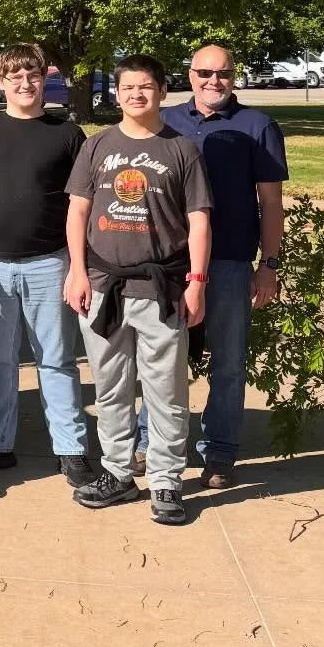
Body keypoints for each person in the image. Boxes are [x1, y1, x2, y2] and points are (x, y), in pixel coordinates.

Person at [64, 55, 212, 526]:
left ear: (162, 91)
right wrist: (78, 271)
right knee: (110, 387)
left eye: (145, 86)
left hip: (162, 286)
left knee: (166, 389)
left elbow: (199, 219)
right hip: (104, 283)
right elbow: (78, 212)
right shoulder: (97, 145)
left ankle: (167, 480)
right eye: (127, 87)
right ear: (117, 93)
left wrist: (196, 282)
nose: (136, 94)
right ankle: (117, 472)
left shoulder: (182, 148)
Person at [138, 44, 286, 489]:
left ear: (234, 76)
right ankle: (152, 440)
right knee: (163, 359)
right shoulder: (168, 123)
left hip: (229, 260)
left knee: (228, 361)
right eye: (204, 72)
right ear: (190, 74)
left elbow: (271, 204)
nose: (213, 81)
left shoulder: (258, 126)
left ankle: (219, 452)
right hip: (168, 262)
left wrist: (269, 265)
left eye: (222, 73)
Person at [0, 44, 94, 486]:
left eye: (32, 74)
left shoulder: (67, 134)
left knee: (56, 359)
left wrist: (78, 265)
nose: (25, 83)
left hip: (50, 261)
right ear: (0, 83)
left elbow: (82, 203)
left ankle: (70, 448)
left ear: (43, 78)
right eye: (14, 76)